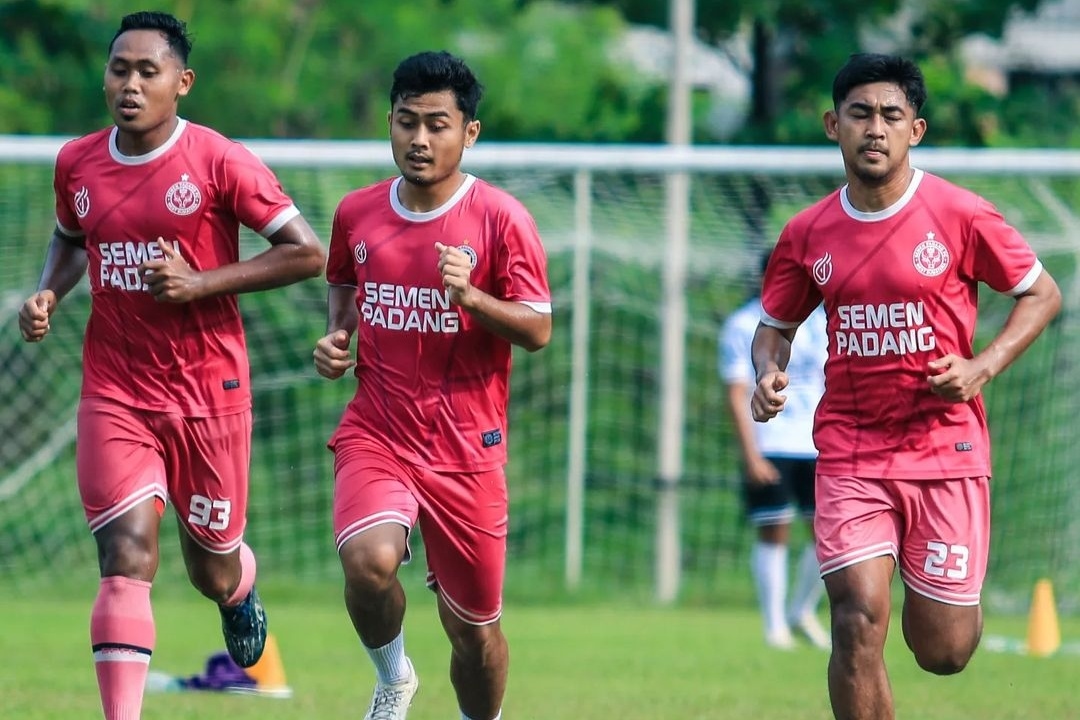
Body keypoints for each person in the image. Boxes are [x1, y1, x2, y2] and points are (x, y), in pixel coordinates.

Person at [17, 11, 325, 720]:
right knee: (127, 555)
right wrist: (49, 292)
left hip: (209, 393)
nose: (129, 84)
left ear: (182, 82)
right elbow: (71, 238)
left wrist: (201, 282)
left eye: (147, 72)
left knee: (210, 568)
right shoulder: (77, 162)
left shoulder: (220, 160)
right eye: (118, 69)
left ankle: (239, 588)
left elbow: (307, 252)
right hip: (115, 390)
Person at [751, 53, 1061, 719]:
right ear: (833, 124)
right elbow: (774, 326)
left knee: (943, 650)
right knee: (856, 618)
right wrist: (767, 372)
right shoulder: (807, 232)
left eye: (891, 115)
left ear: (915, 130)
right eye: (860, 113)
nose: (875, 128)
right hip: (852, 450)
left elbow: (1042, 294)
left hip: (945, 451)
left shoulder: (960, 213)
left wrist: (981, 367)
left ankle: (952, 602)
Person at [312, 51, 552, 720]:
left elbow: (537, 328)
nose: (419, 139)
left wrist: (472, 298)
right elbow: (343, 284)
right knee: (368, 561)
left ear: (469, 132)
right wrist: (337, 338)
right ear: (389, 122)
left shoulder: (501, 218)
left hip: (468, 449)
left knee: (473, 634)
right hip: (378, 430)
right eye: (407, 122)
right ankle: (394, 679)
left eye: (437, 125)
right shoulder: (357, 213)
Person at [720, 250, 829, 650]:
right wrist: (751, 454)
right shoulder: (743, 324)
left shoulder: (820, 322)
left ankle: (800, 609)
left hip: (817, 442)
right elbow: (736, 393)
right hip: (771, 441)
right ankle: (774, 626)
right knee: (774, 530)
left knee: (829, 533)